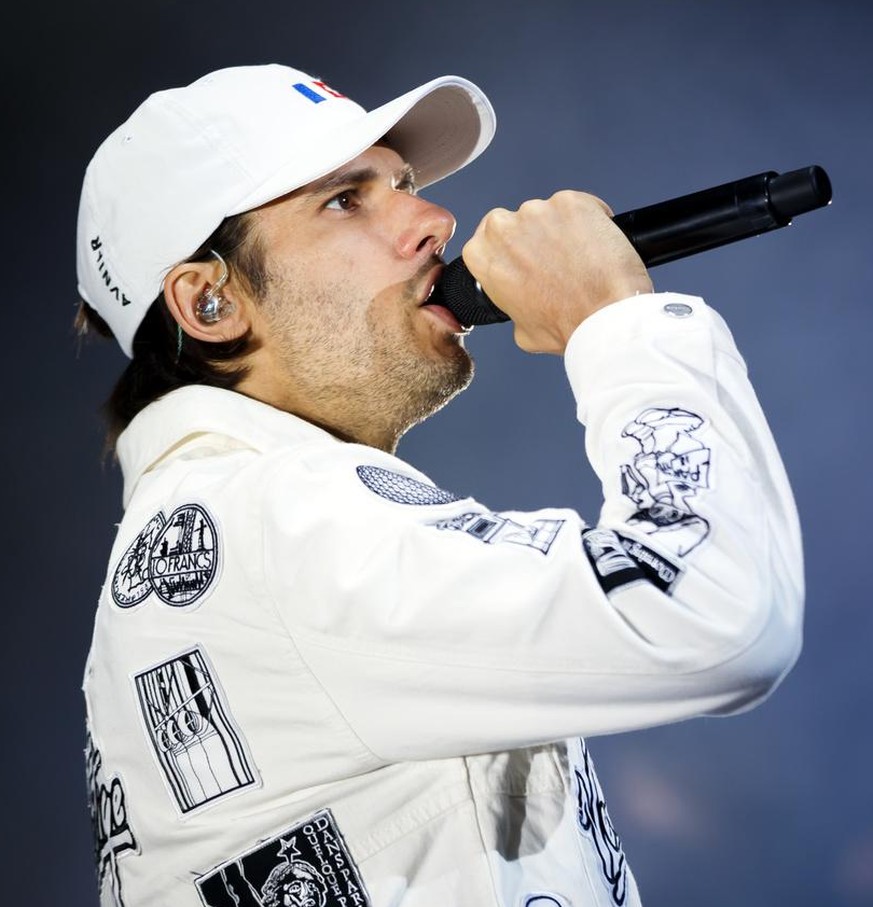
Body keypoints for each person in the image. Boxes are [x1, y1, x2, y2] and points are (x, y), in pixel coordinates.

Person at [75, 63, 804, 907]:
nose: (434, 220)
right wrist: (618, 321)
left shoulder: (232, 523)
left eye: (406, 184)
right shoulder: (272, 521)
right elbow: (710, 612)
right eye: (345, 200)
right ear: (209, 304)